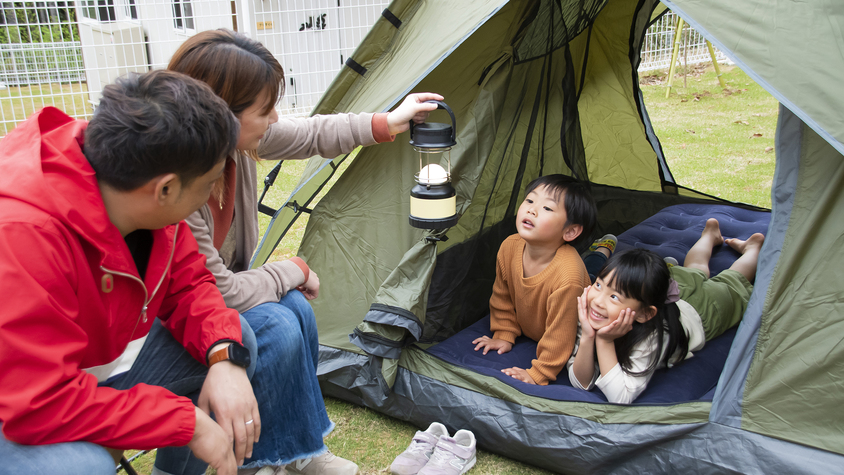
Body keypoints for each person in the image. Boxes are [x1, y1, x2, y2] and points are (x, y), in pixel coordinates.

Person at [166, 29, 442, 475]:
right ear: (221, 116)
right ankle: (262, 461)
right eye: (264, 108)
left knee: (295, 308)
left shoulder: (236, 144)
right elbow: (218, 293)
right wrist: (292, 268)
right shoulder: (179, 188)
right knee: (276, 320)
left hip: (210, 305)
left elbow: (312, 134)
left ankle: (300, 449)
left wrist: (387, 123)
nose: (276, 117)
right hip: (179, 317)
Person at [0, 70, 260, 475]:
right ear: (166, 190)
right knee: (77, 467)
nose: (211, 196)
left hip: (83, 377)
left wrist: (225, 354)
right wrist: (185, 422)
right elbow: (37, 402)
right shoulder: (22, 235)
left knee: (235, 346)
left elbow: (190, 285)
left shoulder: (134, 180)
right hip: (18, 405)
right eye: (209, 183)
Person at [569, 218, 765, 404]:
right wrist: (587, 336)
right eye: (598, 285)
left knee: (732, 279)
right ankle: (709, 236)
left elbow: (620, 396)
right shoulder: (592, 314)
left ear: (644, 314)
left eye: (614, 297)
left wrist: (604, 340)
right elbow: (581, 383)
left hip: (702, 310)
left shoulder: (651, 337)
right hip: (669, 290)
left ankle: (752, 248)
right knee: (695, 269)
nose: (598, 301)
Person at [472, 174, 597, 386]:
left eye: (547, 208)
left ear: (570, 231)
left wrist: (539, 373)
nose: (532, 209)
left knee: (593, 271)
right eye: (530, 200)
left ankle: (602, 250)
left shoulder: (568, 276)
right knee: (592, 268)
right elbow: (502, 296)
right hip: (537, 327)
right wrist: (503, 333)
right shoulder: (509, 247)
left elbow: (562, 334)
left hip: (571, 336)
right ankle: (601, 251)